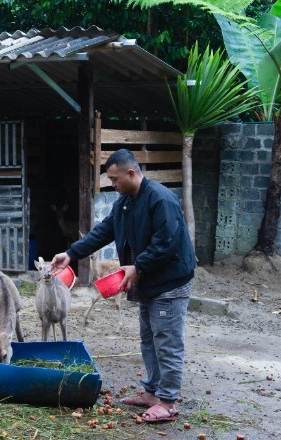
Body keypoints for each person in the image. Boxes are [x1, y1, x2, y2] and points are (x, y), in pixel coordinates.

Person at [50, 148, 196, 423]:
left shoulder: (160, 199)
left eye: (115, 179)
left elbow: (166, 243)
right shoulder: (125, 203)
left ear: (131, 173)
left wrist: (138, 266)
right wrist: (71, 254)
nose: (113, 185)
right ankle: (152, 392)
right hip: (147, 281)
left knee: (167, 341)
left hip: (169, 283)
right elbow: (103, 232)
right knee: (149, 339)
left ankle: (167, 401)